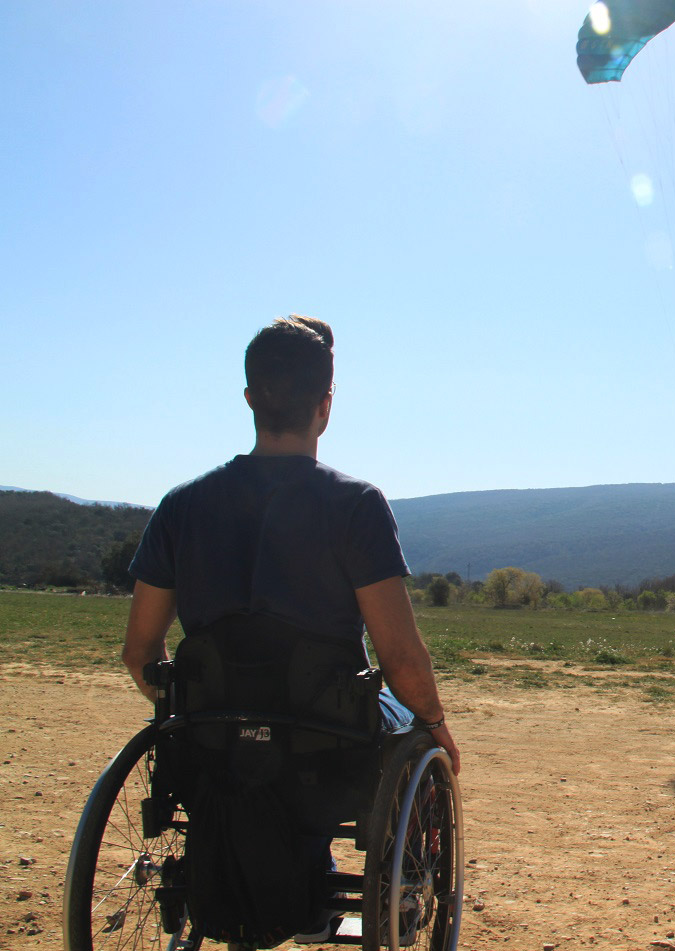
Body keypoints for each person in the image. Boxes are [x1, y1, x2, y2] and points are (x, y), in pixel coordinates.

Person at [122, 315, 460, 940]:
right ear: (326, 404)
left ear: (250, 397)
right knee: (414, 730)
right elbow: (403, 659)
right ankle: (400, 898)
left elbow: (140, 650)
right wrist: (436, 725)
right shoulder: (355, 507)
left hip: (210, 738)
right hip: (323, 739)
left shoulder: (181, 507)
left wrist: (202, 711)